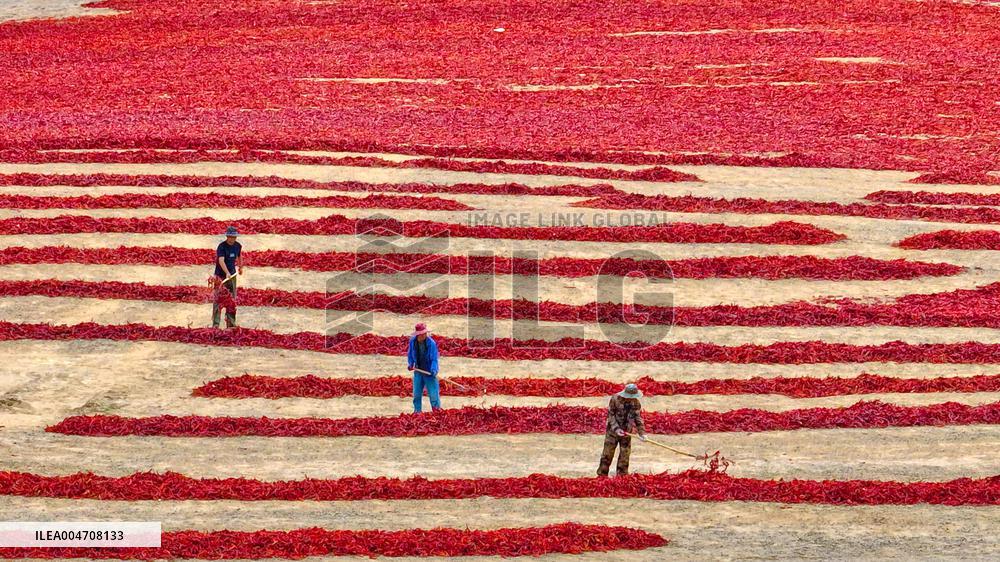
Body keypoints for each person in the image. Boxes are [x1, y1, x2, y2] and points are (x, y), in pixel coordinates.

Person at [597, 383, 647, 477]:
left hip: (627, 432)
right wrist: (616, 429)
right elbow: (610, 415)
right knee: (607, 454)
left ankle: (622, 476)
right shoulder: (615, 399)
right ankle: (602, 475)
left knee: (625, 455)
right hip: (612, 432)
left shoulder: (636, 403)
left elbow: (638, 418)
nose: (631, 398)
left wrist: (642, 433)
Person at [212, 226, 243, 329]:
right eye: (230, 237)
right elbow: (221, 260)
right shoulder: (221, 246)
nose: (232, 239)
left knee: (231, 300)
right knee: (218, 300)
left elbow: (239, 256)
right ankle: (216, 324)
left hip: (232, 276)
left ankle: (231, 323)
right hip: (220, 276)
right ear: (227, 236)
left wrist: (240, 267)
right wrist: (226, 272)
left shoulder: (238, 246)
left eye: (234, 237)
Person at [406, 322, 440, 412]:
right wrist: (410, 363)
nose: (424, 335)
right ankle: (417, 412)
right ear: (418, 334)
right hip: (418, 371)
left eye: (425, 333)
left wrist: (434, 369)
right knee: (416, 394)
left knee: (433, 395)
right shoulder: (413, 342)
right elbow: (410, 354)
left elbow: (434, 359)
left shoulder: (431, 343)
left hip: (429, 371)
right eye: (422, 334)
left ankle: (437, 413)